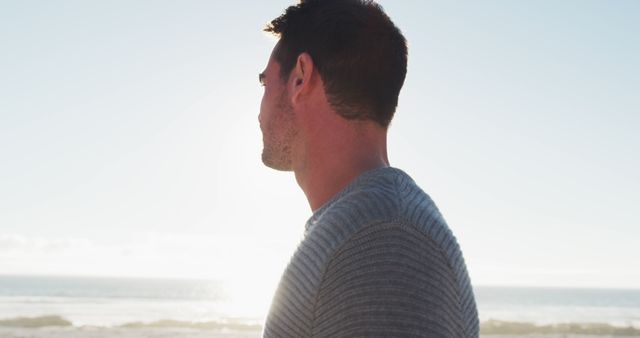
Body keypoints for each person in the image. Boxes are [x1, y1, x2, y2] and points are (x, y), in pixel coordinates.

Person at [258, 0, 479, 337]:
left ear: (300, 77)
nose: (259, 112)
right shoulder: (363, 228)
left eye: (264, 83)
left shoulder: (383, 245)